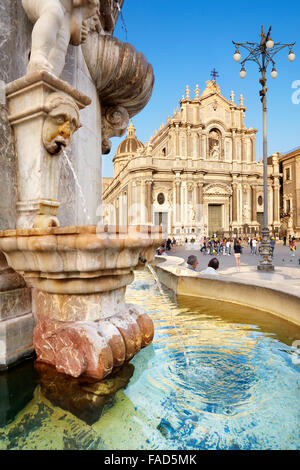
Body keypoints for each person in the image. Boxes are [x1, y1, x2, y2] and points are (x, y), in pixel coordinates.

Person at [22, 0, 99, 76]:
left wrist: (77, 29)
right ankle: (38, 57)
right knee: (54, 11)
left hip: (66, 12)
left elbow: (77, 15)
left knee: (61, 44)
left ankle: (50, 78)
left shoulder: (93, 5)